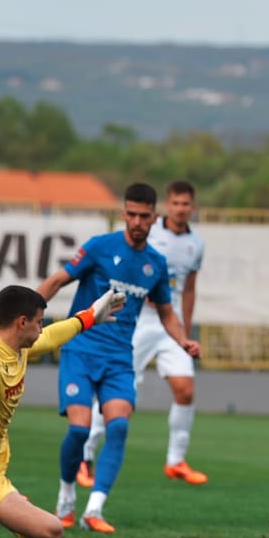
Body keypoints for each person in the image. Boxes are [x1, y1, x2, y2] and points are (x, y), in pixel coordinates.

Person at [36, 182, 201, 534]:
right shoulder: (100, 247)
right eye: (132, 214)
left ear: (154, 218)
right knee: (79, 429)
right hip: (81, 350)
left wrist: (183, 340)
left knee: (119, 427)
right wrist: (28, 311)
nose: (138, 222)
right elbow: (60, 279)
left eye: (144, 216)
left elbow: (167, 312)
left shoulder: (155, 264)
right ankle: (66, 497)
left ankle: (94, 509)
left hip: (119, 358)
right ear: (124, 214)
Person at [0, 284, 123, 538]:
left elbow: (51, 337)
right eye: (38, 322)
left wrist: (89, 317)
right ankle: (7, 504)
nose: (41, 328)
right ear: (22, 322)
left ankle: (12, 504)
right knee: (52, 532)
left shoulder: (16, 346)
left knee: (44, 527)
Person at [76, 180, 208, 488]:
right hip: (139, 322)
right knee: (116, 392)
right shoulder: (149, 230)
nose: (180, 209)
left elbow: (189, 288)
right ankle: (85, 455)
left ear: (193, 207)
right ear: (166, 206)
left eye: (186, 204)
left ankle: (176, 460)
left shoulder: (196, 244)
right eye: (175, 203)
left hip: (171, 324)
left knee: (186, 390)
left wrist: (186, 330)